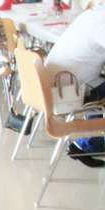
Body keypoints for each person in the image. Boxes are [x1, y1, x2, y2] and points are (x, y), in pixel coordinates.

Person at [44, 5, 105, 168]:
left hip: (56, 84)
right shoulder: (102, 22)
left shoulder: (94, 13)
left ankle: (92, 141)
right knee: (101, 91)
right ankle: (85, 144)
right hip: (69, 91)